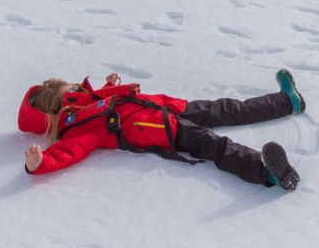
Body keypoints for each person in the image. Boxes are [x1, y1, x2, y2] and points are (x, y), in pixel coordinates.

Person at [19, 69, 304, 191]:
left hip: (171, 109)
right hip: (163, 131)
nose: (77, 87)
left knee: (229, 108)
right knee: (216, 145)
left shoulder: (92, 100)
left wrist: (110, 85)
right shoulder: (79, 128)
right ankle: (268, 173)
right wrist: (39, 163)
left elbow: (112, 101)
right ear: (59, 104)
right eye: (70, 88)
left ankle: (287, 101)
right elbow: (69, 152)